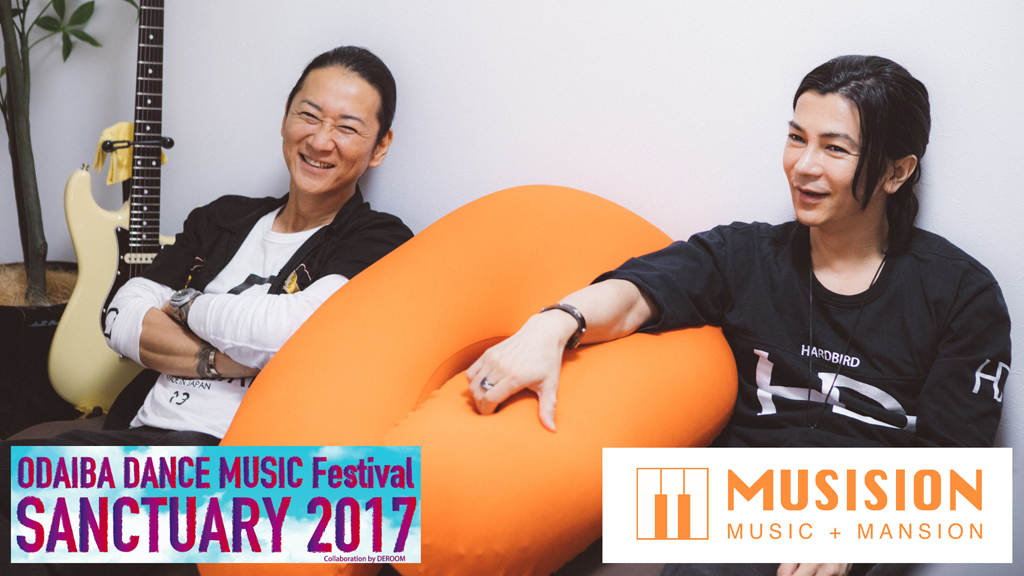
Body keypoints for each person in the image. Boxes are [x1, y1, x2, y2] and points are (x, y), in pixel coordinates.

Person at [466, 55, 1011, 576]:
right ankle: (405, 528)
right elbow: (635, 295)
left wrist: (856, 532)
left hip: (855, 527)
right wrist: (553, 323)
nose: (804, 165)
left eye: (834, 148)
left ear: (897, 172)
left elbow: (956, 468)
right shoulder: (745, 255)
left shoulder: (961, 295)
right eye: (796, 138)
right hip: (729, 503)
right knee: (496, 503)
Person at [2, 46, 412, 572]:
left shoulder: (378, 240)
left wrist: (184, 303)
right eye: (308, 115)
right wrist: (224, 358)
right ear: (285, 119)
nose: (320, 140)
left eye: (348, 127)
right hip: (144, 438)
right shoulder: (222, 218)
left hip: (240, 462)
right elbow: (120, 316)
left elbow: (291, 332)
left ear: (380, 147)